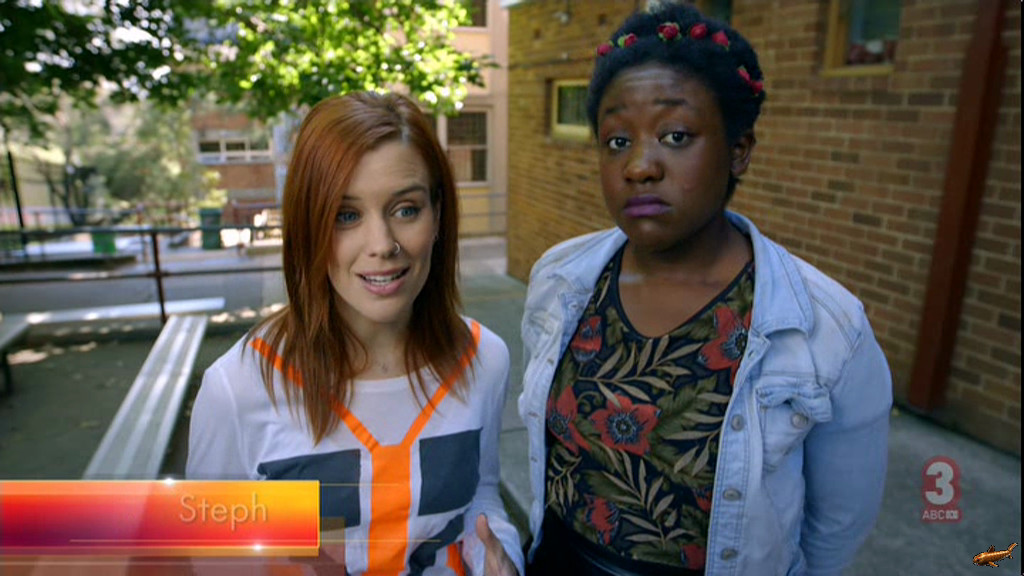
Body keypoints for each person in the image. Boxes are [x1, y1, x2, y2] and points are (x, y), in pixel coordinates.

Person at [519, 4, 892, 575]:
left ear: (739, 150)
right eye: (616, 141)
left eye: (675, 136)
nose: (639, 167)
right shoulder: (559, 280)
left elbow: (837, 526)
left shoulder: (825, 331)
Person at [187, 92, 523, 576]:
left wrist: (501, 556)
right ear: (308, 226)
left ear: (438, 214)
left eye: (406, 209)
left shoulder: (484, 358)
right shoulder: (237, 387)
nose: (382, 245)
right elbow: (215, 556)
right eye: (346, 215)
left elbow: (480, 497)